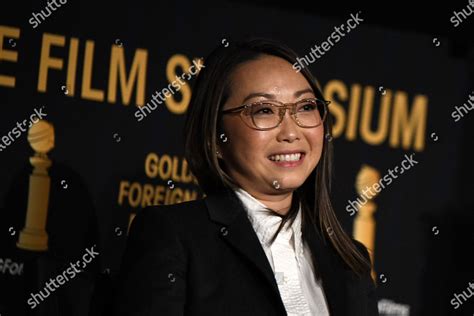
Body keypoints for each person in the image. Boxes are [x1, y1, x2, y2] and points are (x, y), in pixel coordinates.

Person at [114, 37, 378, 316]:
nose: (291, 132)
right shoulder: (174, 236)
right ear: (215, 138)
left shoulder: (350, 260)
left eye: (305, 107)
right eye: (264, 110)